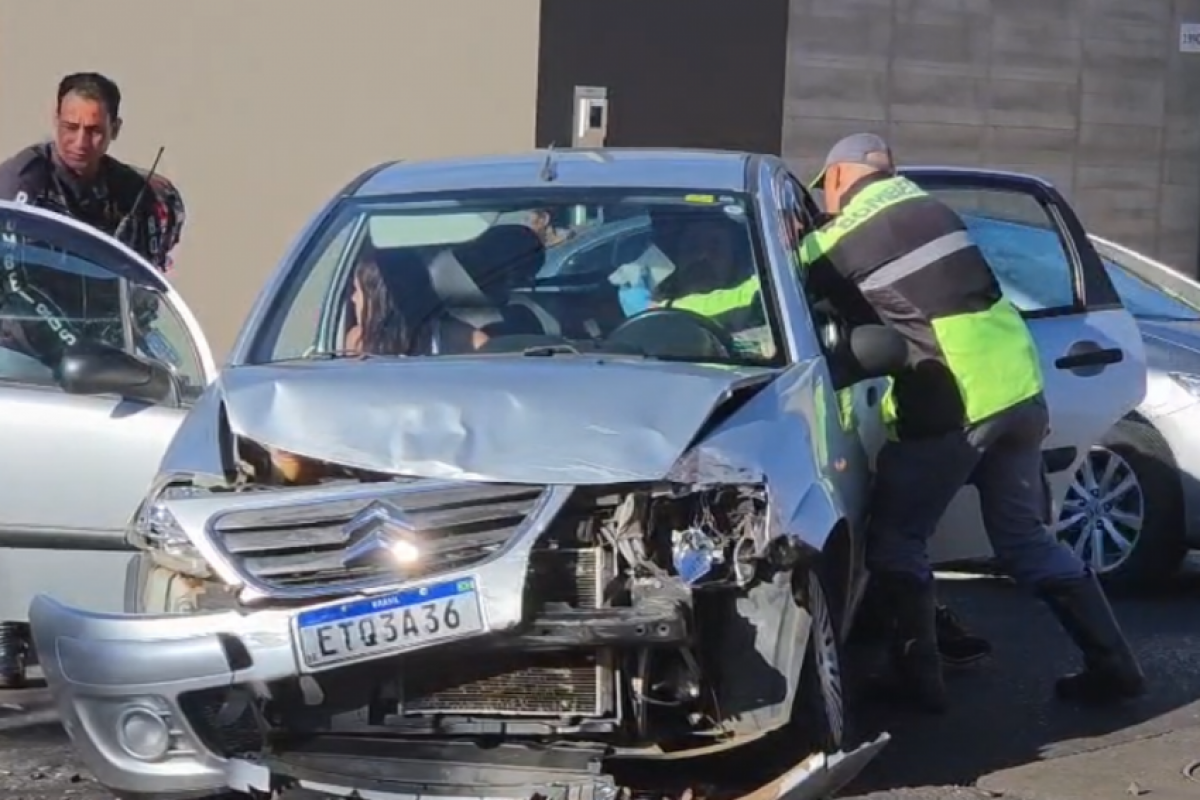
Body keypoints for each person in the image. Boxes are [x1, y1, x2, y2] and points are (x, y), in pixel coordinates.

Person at [803, 133, 1144, 713]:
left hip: (955, 401)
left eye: (824, 190)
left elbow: (763, 289)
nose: (825, 201)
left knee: (895, 543)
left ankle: (919, 686)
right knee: (1027, 540)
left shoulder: (847, 235)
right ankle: (1115, 667)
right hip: (1020, 392)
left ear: (838, 178)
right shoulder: (933, 211)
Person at [0, 72, 185, 270]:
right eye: (71, 127)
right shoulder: (21, 183)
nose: (80, 143)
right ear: (56, 120)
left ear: (115, 129)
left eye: (94, 131)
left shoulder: (137, 193)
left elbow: (148, 282)